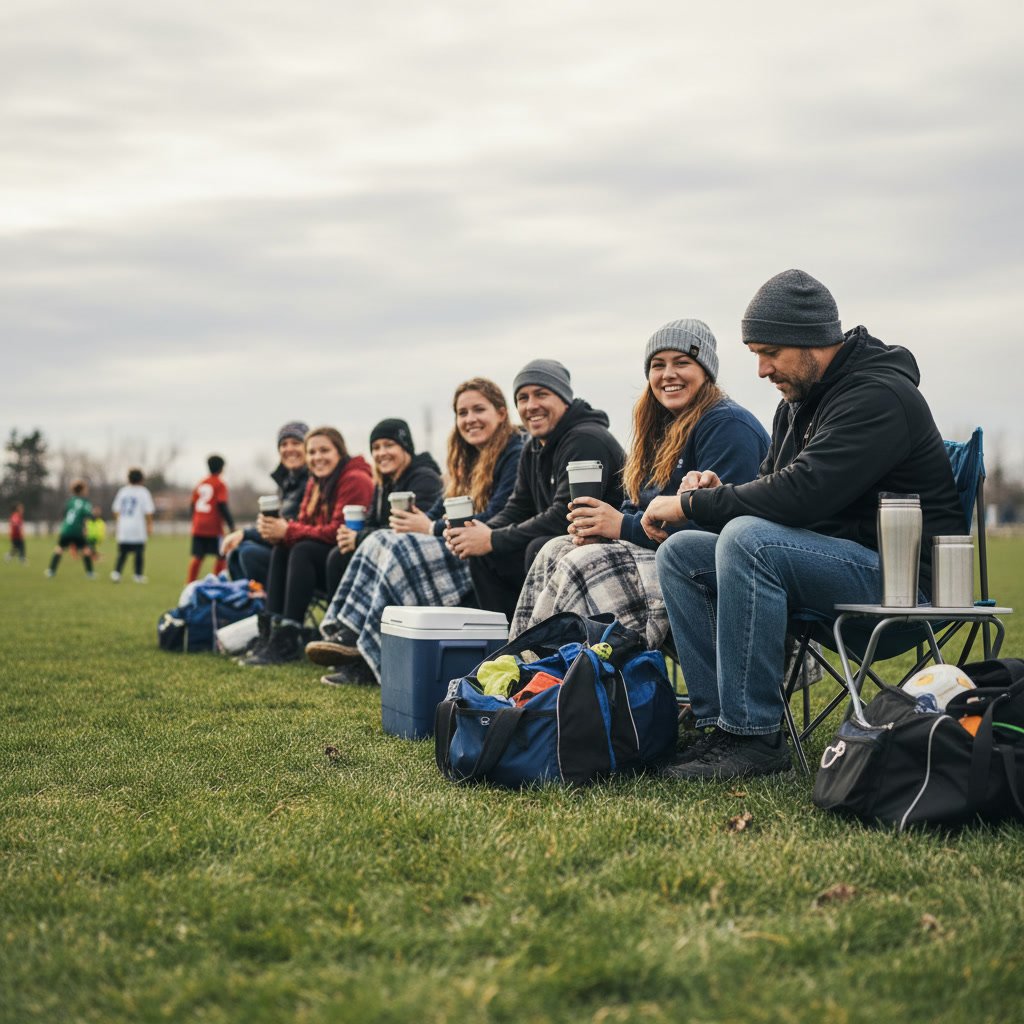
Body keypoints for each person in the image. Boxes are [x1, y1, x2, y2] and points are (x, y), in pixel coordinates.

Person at [645, 269, 965, 780]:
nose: (761, 369)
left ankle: (753, 741)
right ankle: (715, 728)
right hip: (832, 564)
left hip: (904, 584)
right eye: (755, 353)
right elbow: (772, 488)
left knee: (749, 542)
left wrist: (689, 507)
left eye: (769, 352)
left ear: (812, 340)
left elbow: (802, 495)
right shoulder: (797, 405)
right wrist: (711, 492)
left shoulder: (878, 396)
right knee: (681, 554)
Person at [511, 320, 769, 649]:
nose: (668, 374)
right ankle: (532, 674)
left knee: (583, 564)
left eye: (682, 362)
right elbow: (638, 506)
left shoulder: (726, 424)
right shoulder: (659, 428)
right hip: (662, 555)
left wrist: (621, 526)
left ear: (706, 371)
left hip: (715, 570)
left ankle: (588, 679)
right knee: (554, 550)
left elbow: (718, 525)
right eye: (658, 365)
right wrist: (602, 526)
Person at [307, 378, 525, 686]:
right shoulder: (465, 457)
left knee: (400, 548)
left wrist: (429, 527)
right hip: (457, 541)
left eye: (479, 409)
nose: (470, 419)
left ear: (501, 413)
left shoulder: (515, 452)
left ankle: (366, 648)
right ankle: (350, 633)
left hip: (485, 546)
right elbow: (441, 507)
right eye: (462, 413)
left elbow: (501, 514)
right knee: (385, 538)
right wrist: (424, 522)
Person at [446, 359, 625, 621]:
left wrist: (492, 538)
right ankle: (502, 647)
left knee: (537, 547)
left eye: (541, 394)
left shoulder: (586, 439)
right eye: (522, 397)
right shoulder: (533, 447)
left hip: (607, 545)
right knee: (485, 557)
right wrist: (473, 533)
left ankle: (542, 648)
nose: (531, 406)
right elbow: (517, 508)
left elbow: (564, 515)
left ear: (563, 398)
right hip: (565, 543)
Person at [240, 427, 373, 666]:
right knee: (283, 547)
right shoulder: (315, 482)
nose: (317, 457)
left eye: (324, 450)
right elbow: (303, 525)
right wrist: (278, 533)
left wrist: (288, 530)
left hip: (346, 562)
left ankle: (289, 637)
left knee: (301, 549)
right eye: (311, 452)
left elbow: (339, 532)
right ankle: (274, 633)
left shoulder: (354, 478)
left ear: (340, 452)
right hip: (324, 558)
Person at [321, 418, 444, 601]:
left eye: (389, 445)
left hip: (416, 556)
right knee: (339, 554)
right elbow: (371, 521)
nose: (381, 453)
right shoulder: (383, 483)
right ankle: (340, 623)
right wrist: (349, 535)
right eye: (376, 448)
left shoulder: (424, 478)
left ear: (405, 447)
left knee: (338, 558)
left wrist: (359, 538)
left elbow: (408, 528)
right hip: (385, 550)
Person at [222, 421, 310, 586]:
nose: (289, 448)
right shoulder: (286, 482)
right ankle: (246, 604)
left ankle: (265, 606)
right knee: (237, 552)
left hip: (300, 555)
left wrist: (245, 534)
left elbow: (290, 525)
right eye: (284, 444)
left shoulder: (312, 482)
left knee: (248, 553)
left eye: (296, 443)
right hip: (283, 548)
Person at [186, 455, 234, 583]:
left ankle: (190, 583)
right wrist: (231, 525)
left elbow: (192, 505)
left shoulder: (201, 483)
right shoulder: (220, 483)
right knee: (221, 555)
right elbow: (222, 504)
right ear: (222, 468)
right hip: (213, 527)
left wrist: (195, 520)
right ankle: (216, 582)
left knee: (197, 556)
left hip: (198, 526)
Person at [110, 468, 156, 582]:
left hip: (124, 526)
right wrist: (149, 525)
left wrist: (119, 522)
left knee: (122, 552)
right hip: (138, 526)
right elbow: (149, 511)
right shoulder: (143, 492)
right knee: (139, 552)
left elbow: (116, 510)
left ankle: (116, 573)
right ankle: (138, 575)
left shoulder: (123, 491)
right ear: (141, 479)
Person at [46, 480, 95, 578]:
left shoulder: (69, 501)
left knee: (59, 549)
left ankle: (51, 571)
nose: (87, 490)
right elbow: (89, 515)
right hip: (77, 530)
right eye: (85, 489)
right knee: (85, 550)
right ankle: (90, 573)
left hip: (66, 529)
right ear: (81, 490)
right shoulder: (85, 502)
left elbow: (64, 514)